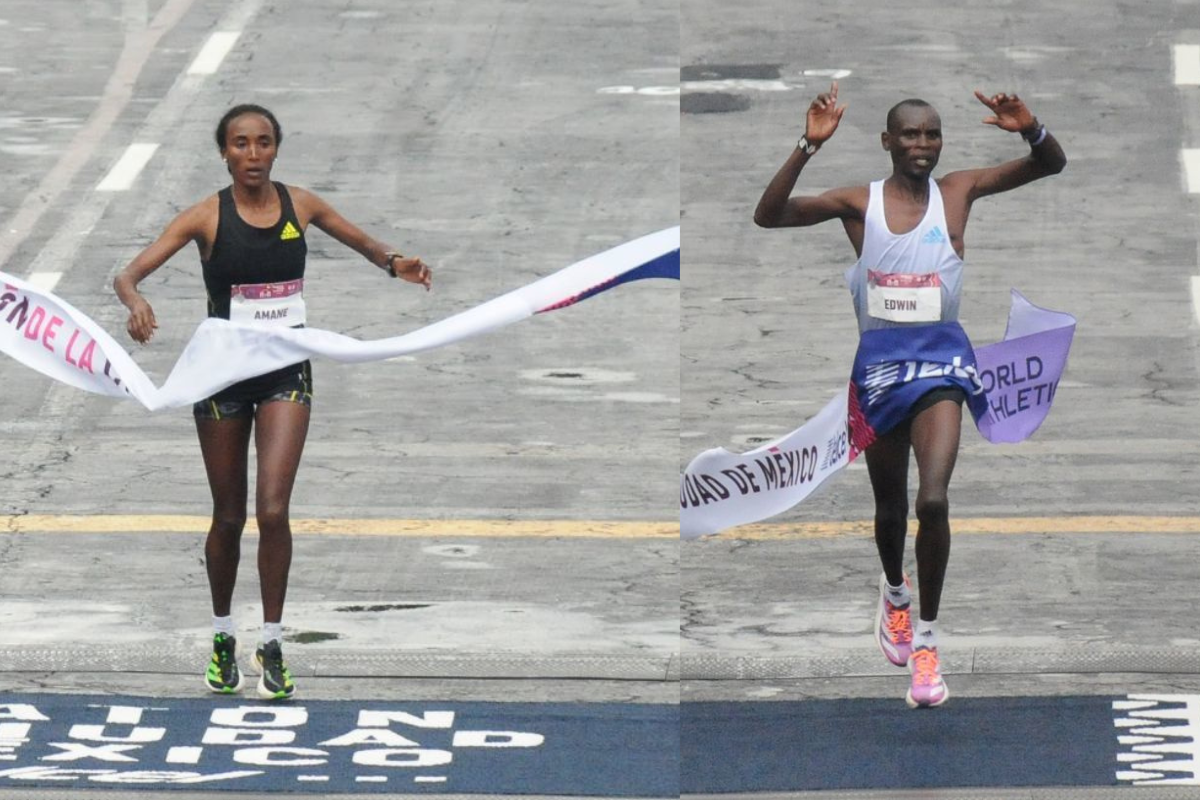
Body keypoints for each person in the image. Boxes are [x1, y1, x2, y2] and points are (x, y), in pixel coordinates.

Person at [753, 83, 1066, 708]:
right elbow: (769, 213)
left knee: (935, 499)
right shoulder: (857, 204)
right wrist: (805, 146)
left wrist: (1030, 129)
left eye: (933, 134)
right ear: (888, 141)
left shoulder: (958, 191)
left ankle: (926, 641)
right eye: (912, 135)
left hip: (944, 364)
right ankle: (894, 591)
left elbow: (1049, 164)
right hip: (879, 368)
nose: (923, 145)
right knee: (891, 510)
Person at [113, 104, 432, 700]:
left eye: (263, 143)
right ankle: (221, 636)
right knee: (229, 516)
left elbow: (363, 243)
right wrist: (135, 304)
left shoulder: (301, 206)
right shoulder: (206, 216)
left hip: (285, 369)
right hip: (221, 377)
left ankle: (275, 643)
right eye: (240, 144)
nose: (252, 154)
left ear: (276, 149)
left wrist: (395, 264)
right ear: (225, 153)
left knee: (275, 510)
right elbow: (127, 275)